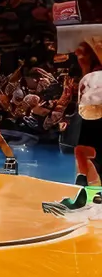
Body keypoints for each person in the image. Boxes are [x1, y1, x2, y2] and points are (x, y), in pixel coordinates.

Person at [43, 44, 102, 220]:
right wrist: (84, 64)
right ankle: (87, 198)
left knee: (85, 154)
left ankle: (87, 199)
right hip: (93, 114)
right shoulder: (91, 76)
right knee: (84, 153)